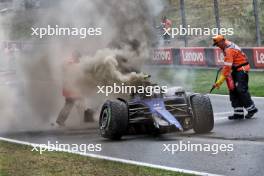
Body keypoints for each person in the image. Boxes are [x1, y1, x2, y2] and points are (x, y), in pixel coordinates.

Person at [212, 35, 258, 120]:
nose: (217, 46)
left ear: (222, 41)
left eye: (217, 44)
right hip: (236, 69)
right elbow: (229, 65)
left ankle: (252, 109)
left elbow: (227, 69)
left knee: (240, 89)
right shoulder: (226, 46)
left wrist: (219, 82)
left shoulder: (229, 50)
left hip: (241, 70)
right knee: (233, 89)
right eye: (216, 45)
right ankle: (238, 113)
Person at [56, 50, 89, 127]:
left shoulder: (67, 63)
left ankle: (60, 120)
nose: (80, 59)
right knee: (79, 105)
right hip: (73, 89)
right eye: (79, 58)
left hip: (69, 88)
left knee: (70, 105)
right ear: (76, 57)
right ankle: (82, 121)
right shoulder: (74, 64)